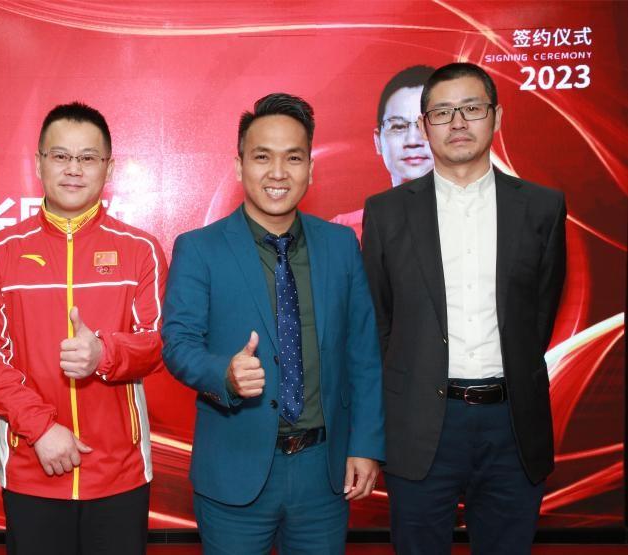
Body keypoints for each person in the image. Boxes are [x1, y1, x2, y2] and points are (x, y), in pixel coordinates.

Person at [162, 93, 384, 554]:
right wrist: (224, 373)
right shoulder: (199, 248)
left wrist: (365, 445)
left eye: (293, 158)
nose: (278, 172)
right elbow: (178, 345)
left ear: (311, 169)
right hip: (234, 472)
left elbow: (363, 353)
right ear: (239, 165)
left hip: (324, 474)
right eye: (262, 157)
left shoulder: (341, 245)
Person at [361, 62, 567, 554]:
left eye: (472, 108)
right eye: (442, 112)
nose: (457, 123)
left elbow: (539, 314)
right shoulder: (386, 213)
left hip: (512, 423)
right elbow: (380, 322)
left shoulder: (542, 208)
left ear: (497, 117)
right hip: (420, 421)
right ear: (425, 124)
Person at [0, 102, 167, 555]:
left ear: (108, 167)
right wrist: (41, 429)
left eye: (88, 158)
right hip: (32, 464)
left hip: (120, 472)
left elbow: (158, 341)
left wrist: (103, 354)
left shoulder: (141, 250)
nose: (73, 169)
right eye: (60, 156)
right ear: (39, 163)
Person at [332, 65, 434, 239]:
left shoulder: (476, 220)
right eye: (398, 126)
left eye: (424, 125)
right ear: (378, 141)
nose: (412, 141)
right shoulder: (341, 233)